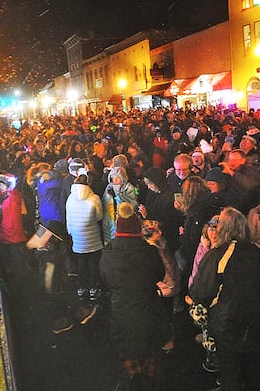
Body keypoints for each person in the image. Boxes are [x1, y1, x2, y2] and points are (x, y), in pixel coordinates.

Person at [189, 207, 260, 391]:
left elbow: (200, 292)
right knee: (253, 368)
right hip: (256, 318)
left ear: (222, 229)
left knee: (230, 369)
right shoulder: (258, 250)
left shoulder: (217, 255)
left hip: (228, 323)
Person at [100, 202, 170, 391]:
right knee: (150, 356)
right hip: (148, 311)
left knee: (129, 355)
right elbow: (159, 274)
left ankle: (133, 381)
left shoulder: (107, 254)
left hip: (121, 312)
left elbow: (104, 280)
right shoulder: (148, 252)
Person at [65, 174, 104, 301]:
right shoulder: (94, 198)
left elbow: (68, 217)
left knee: (81, 262)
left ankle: (82, 288)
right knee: (93, 263)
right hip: (92, 236)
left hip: (77, 235)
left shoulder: (71, 197)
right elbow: (99, 216)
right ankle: (94, 289)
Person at [101, 166, 138, 247]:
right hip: (109, 218)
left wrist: (117, 197)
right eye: (113, 178)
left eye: (118, 178)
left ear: (123, 178)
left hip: (123, 220)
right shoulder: (109, 187)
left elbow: (131, 204)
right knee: (109, 240)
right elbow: (105, 202)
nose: (115, 180)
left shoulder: (129, 188)